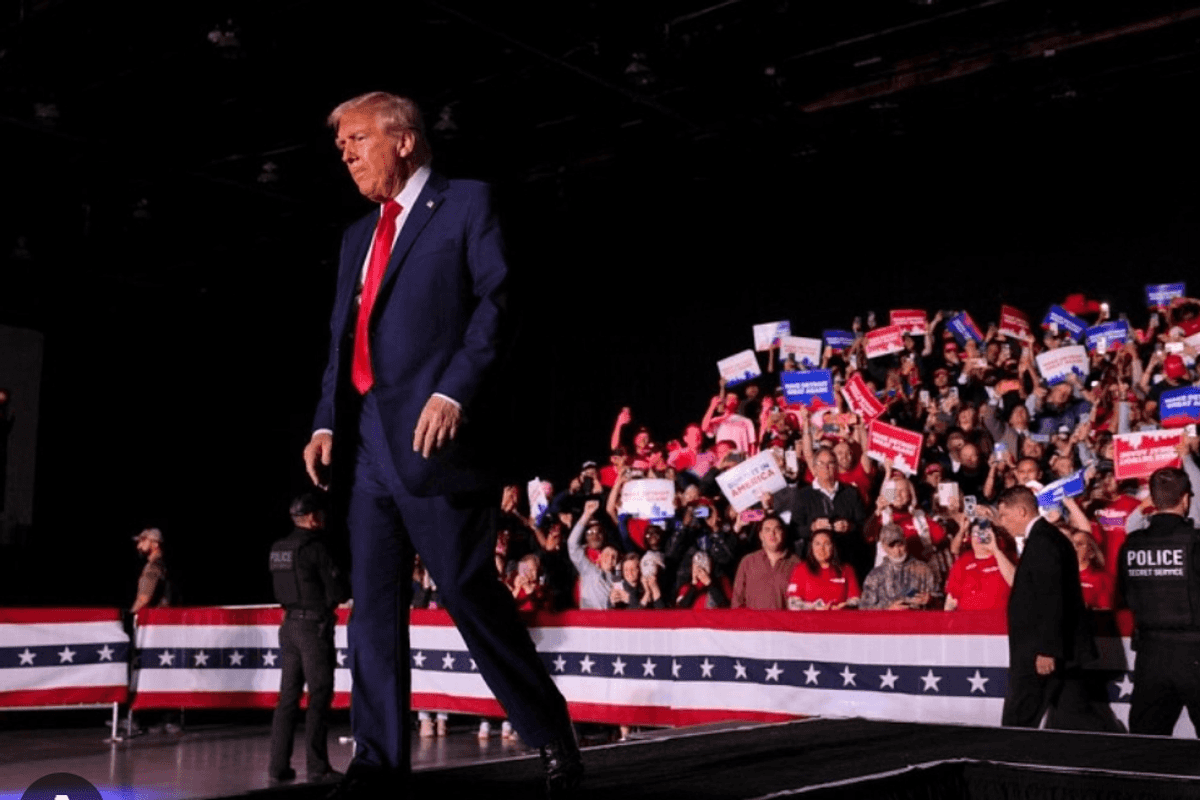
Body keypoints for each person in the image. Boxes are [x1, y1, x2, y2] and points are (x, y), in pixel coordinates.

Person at [302, 92, 580, 797]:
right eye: (341, 146)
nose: (346, 153)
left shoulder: (468, 205)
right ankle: (377, 764)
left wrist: (456, 390)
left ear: (403, 139)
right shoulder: (355, 237)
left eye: (358, 139)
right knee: (372, 605)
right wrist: (326, 421)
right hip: (365, 445)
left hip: (438, 437)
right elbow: (343, 336)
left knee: (464, 588)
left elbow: (499, 301)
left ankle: (551, 734)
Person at [995, 486, 1100, 730]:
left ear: (1021, 511)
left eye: (1003, 515)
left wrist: (1046, 649)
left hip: (1040, 653)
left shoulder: (1043, 541)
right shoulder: (1048, 537)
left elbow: (1051, 597)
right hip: (1056, 650)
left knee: (1018, 719)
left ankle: (1009, 764)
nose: (1002, 522)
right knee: (1072, 717)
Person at [267, 492, 350, 784]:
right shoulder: (315, 548)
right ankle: (318, 767)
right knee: (319, 695)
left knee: (287, 698)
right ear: (313, 517)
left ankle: (278, 767)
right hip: (313, 629)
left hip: (288, 626)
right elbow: (337, 591)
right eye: (321, 514)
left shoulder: (278, 548)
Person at [1117, 466, 1200, 735]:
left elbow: (1124, 595)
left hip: (1150, 655)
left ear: (1151, 500)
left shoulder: (1131, 544)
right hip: (1194, 653)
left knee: (1147, 742)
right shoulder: (1195, 541)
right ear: (1186, 498)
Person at [858, 524, 938, 610]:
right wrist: (888, 609)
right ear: (884, 547)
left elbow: (942, 601)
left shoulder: (923, 569)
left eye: (900, 545)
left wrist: (930, 599)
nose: (897, 551)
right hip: (888, 622)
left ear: (905, 542)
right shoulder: (875, 576)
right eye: (891, 546)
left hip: (918, 621)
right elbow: (864, 609)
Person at [943, 519, 1016, 611]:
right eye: (975, 533)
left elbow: (1016, 582)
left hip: (999, 620)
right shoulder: (963, 561)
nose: (978, 537)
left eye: (983, 533)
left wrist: (995, 550)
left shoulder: (1007, 558)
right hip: (967, 620)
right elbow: (951, 599)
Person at [730, 515, 801, 609]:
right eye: (767, 530)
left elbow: (802, 602)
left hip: (784, 622)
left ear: (783, 533)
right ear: (761, 535)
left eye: (777, 529)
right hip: (753, 622)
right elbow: (737, 600)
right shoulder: (748, 562)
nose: (772, 533)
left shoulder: (796, 563)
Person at [785, 529, 860, 610]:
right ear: (811, 547)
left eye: (826, 544)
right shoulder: (800, 569)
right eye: (817, 544)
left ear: (833, 546)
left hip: (839, 618)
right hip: (809, 620)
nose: (821, 548)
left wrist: (844, 606)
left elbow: (856, 600)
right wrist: (815, 608)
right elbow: (792, 603)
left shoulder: (846, 569)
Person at [130, 527, 171, 613]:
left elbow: (143, 599)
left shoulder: (153, 567)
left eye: (143, 540)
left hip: (154, 620)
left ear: (155, 543)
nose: (139, 546)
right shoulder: (163, 565)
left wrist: (131, 615)